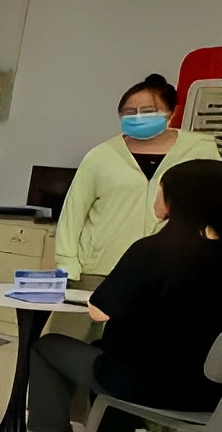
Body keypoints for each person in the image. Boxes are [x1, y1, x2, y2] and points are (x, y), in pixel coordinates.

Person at [21, 159, 222, 432]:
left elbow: (100, 310)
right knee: (103, 352)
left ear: (176, 199)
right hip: (207, 394)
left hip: (143, 382)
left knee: (48, 347)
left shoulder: (155, 250)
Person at [51, 75, 220, 342]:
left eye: (148, 110)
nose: (138, 117)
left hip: (171, 269)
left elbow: (212, 204)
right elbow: (73, 212)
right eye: (130, 112)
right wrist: (67, 264)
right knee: (72, 339)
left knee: (146, 342)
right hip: (99, 268)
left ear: (171, 112)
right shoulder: (101, 155)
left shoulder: (200, 150)